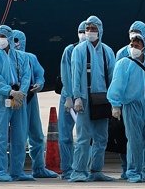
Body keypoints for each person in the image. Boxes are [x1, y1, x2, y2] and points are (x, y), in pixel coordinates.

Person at [107, 33, 145, 183]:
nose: (133, 48)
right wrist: (115, 104)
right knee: (134, 140)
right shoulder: (123, 63)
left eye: (137, 45)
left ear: (144, 47)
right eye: (132, 45)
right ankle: (133, 172)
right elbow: (117, 83)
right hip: (132, 106)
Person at [69, 15, 116, 182]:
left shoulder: (107, 51)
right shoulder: (79, 50)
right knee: (83, 137)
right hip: (85, 99)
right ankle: (78, 171)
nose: (89, 31)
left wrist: (114, 100)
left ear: (100, 31)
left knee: (101, 137)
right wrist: (77, 97)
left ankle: (96, 170)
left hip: (103, 99)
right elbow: (76, 75)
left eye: (93, 29)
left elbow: (112, 77)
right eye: (87, 28)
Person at [0, 25, 33, 182]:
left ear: (10, 38)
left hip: (19, 100)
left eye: (3, 36)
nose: (0, 39)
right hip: (3, 101)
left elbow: (26, 75)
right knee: (0, 136)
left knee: (19, 136)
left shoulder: (22, 57)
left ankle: (17, 171)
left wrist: (21, 93)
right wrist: (10, 92)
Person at [12, 31, 58, 179]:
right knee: (18, 135)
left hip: (31, 98)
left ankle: (39, 167)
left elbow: (39, 74)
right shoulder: (6, 58)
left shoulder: (31, 58)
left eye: (18, 40)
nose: (16, 43)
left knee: (36, 134)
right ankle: (15, 169)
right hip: (15, 99)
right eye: (13, 40)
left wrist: (39, 84)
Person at [59, 21, 88, 181]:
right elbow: (66, 74)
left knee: (85, 135)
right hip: (68, 98)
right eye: (81, 31)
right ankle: (67, 169)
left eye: (85, 31)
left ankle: (82, 167)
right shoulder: (69, 50)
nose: (83, 34)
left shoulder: (93, 52)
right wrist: (69, 97)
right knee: (65, 135)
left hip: (85, 97)